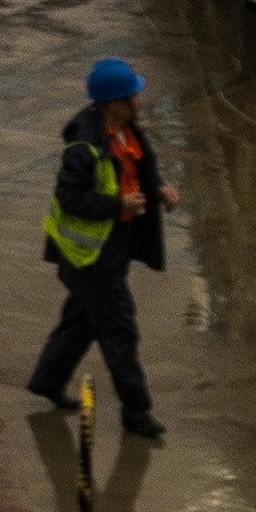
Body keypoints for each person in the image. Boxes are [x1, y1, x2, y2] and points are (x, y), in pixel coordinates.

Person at [27, 56, 172, 438]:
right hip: (89, 255)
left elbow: (137, 169)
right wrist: (117, 206)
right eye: (132, 95)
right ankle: (137, 411)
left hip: (114, 243)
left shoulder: (126, 131)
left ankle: (47, 380)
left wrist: (157, 189)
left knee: (83, 319)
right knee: (118, 328)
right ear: (114, 104)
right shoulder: (84, 147)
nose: (139, 100)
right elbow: (71, 198)